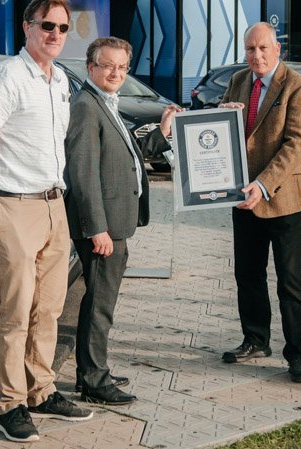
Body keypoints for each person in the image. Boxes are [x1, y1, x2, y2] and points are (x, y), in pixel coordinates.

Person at [0, 0, 93, 443]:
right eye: (47, 26)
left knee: (50, 307)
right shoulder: (7, 76)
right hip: (13, 203)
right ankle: (10, 404)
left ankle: (42, 390)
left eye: (62, 28)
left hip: (52, 203)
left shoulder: (58, 79)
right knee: (16, 310)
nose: (55, 35)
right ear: (27, 27)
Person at [64, 37, 180, 406]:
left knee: (102, 302)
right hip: (105, 229)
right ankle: (94, 380)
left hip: (116, 224)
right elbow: (82, 173)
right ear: (91, 67)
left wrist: (162, 131)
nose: (116, 73)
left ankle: (93, 370)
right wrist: (96, 227)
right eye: (108, 66)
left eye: (122, 67)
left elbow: (125, 154)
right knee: (99, 304)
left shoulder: (105, 103)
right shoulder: (86, 106)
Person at [219, 22, 301, 383]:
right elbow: (223, 133)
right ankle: (256, 339)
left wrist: (263, 184)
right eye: (250, 49)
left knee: (290, 282)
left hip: (282, 198)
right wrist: (223, 115)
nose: (256, 55)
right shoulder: (238, 82)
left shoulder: (300, 87)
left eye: (263, 48)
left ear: (278, 49)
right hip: (243, 198)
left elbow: (296, 145)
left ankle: (299, 355)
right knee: (247, 275)